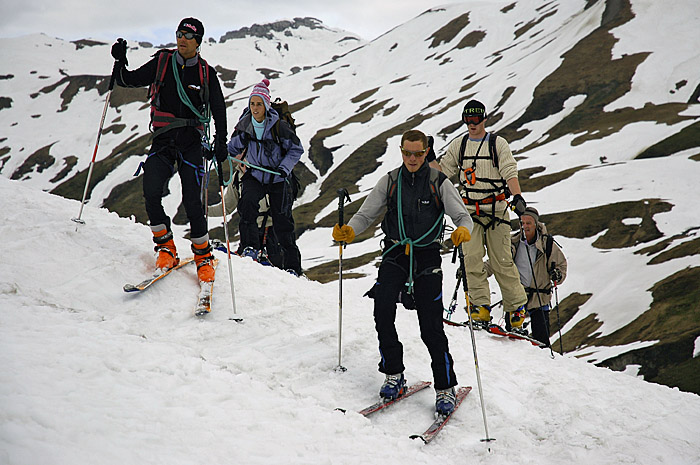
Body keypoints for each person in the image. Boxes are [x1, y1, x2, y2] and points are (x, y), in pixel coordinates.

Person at [332, 130, 473, 416]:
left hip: (427, 255)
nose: (411, 158)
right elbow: (366, 214)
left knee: (431, 327)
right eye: (406, 153)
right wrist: (350, 232)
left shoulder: (439, 182)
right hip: (395, 253)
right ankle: (394, 373)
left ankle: (445, 387)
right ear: (401, 151)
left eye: (417, 154)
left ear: (427, 152)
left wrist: (462, 231)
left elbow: (462, 216)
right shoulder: (391, 181)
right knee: (382, 310)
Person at [110, 18, 228, 282]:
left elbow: (219, 107)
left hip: (191, 143)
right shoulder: (163, 62)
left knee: (192, 204)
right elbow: (128, 80)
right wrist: (120, 61)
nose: (182, 38)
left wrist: (221, 141)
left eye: (188, 35)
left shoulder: (207, 74)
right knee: (151, 192)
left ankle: (203, 257)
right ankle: (165, 247)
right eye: (179, 33)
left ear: (198, 41)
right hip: (163, 141)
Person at [439, 100, 528, 328]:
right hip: (469, 212)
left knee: (502, 261)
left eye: (476, 120)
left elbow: (509, 170)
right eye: (467, 120)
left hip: (497, 211)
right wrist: (429, 158)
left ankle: (515, 309)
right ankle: (479, 309)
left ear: (484, 119)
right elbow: (443, 172)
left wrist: (517, 196)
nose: (471, 124)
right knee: (471, 260)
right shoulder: (459, 146)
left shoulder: (497, 144)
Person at [227, 79, 303, 276]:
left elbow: (296, 150)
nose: (255, 108)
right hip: (255, 175)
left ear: (266, 105)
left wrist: (284, 169)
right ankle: (249, 248)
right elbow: (232, 148)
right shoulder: (246, 125)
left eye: (259, 103)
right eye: (252, 103)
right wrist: (216, 152)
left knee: (283, 221)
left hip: (277, 178)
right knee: (247, 205)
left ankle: (293, 267)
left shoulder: (279, 127)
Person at [509, 207, 567, 346]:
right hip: (517, 295)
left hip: (540, 298)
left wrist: (557, 276)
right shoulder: (513, 242)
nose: (525, 226)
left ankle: (545, 365)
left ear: (536, 224)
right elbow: (497, 262)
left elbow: (561, 265)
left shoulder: (547, 244)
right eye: (522, 223)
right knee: (510, 338)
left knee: (542, 341)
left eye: (528, 223)